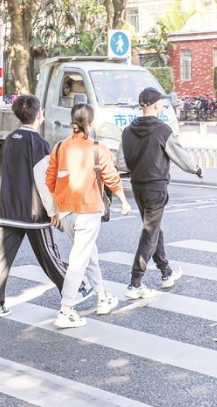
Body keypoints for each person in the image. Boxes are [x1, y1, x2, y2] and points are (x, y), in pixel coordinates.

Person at [0, 95, 93, 320]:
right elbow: (43, 180)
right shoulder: (38, 143)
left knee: (1, 259)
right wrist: (53, 210)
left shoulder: (9, 139)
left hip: (7, 210)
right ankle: (77, 288)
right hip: (32, 211)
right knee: (49, 255)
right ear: (39, 115)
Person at [46, 103, 132, 329]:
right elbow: (111, 177)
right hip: (88, 211)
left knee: (88, 254)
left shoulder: (59, 147)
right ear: (91, 123)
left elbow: (50, 179)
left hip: (66, 213)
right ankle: (65, 310)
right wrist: (123, 200)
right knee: (79, 260)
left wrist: (55, 208)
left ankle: (102, 297)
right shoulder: (97, 147)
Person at [116, 87, 203, 299]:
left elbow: (120, 163)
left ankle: (166, 272)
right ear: (156, 105)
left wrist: (136, 168)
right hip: (156, 187)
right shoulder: (163, 131)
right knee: (150, 232)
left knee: (153, 229)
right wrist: (197, 169)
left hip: (137, 186)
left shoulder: (127, 131)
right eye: (161, 102)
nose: (163, 105)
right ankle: (135, 281)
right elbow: (182, 157)